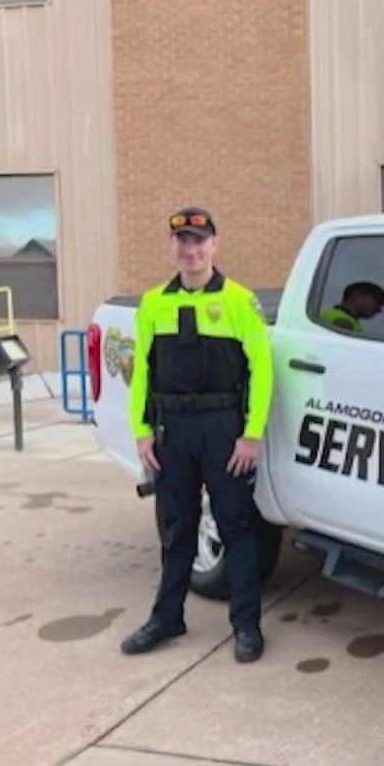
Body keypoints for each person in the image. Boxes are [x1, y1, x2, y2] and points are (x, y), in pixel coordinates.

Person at [120, 206, 274, 662]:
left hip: (224, 430)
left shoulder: (239, 301)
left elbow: (262, 371)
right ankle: (167, 618)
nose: (191, 249)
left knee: (236, 528)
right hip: (172, 432)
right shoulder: (153, 304)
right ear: (173, 247)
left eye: (199, 240)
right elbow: (141, 373)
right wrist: (142, 431)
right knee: (177, 529)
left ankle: (246, 626)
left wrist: (251, 435)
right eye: (183, 241)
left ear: (215, 245)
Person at [318, 281, 384, 334]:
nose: (379, 310)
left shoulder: (332, 313)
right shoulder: (343, 322)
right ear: (357, 295)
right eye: (377, 302)